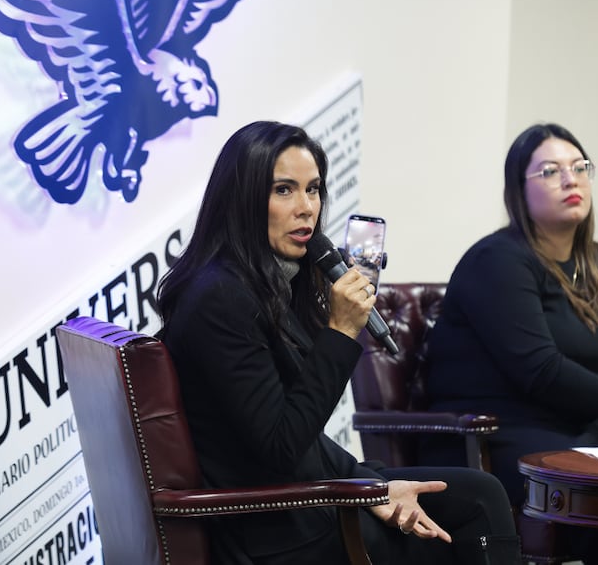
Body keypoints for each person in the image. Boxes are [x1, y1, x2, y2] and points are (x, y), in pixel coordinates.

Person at [156, 120, 521, 565]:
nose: (307, 208)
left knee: (482, 493)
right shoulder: (220, 298)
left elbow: (294, 435)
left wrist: (369, 484)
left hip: (305, 495)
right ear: (242, 200)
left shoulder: (263, 282)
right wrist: (342, 330)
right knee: (471, 519)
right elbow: (281, 445)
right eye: (284, 190)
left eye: (314, 190)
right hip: (275, 527)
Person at [419, 122, 598, 565]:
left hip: (581, 435)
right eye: (551, 171)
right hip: (497, 438)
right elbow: (541, 372)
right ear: (519, 189)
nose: (571, 179)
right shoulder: (497, 260)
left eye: (579, 167)